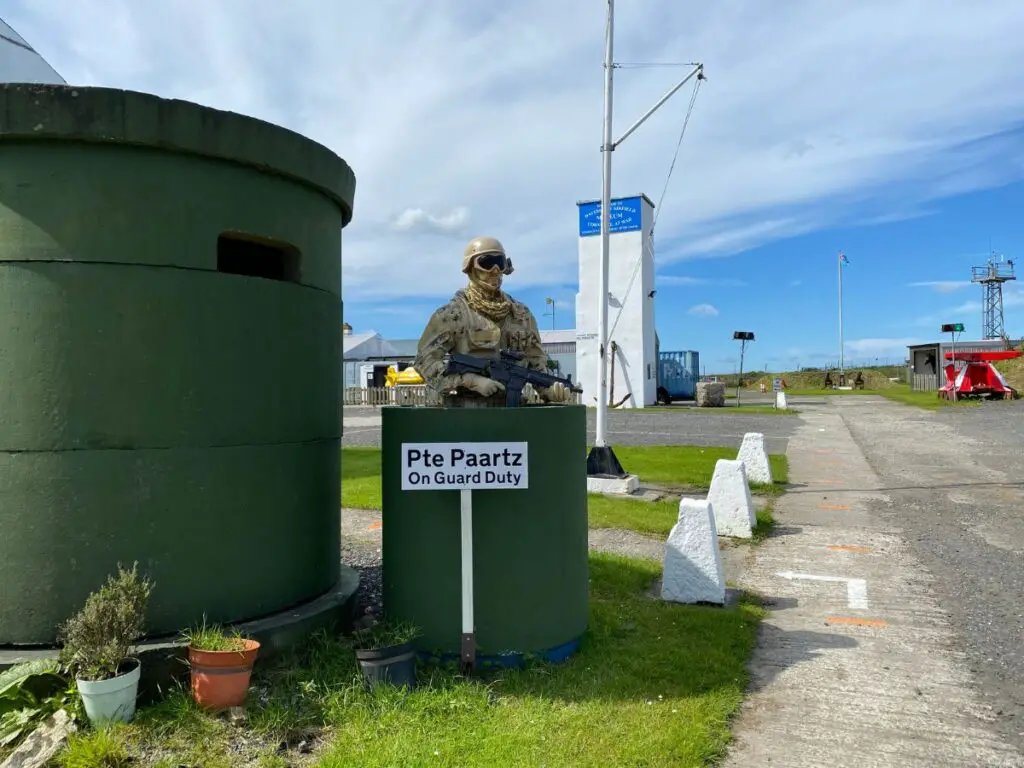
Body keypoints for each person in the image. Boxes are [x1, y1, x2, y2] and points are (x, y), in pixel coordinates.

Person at [414, 236, 573, 407]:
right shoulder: (453, 315)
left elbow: (537, 365)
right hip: (464, 415)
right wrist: (469, 380)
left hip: (512, 415)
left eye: (500, 262)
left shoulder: (521, 315)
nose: (495, 270)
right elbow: (425, 363)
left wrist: (549, 390)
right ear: (470, 268)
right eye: (487, 262)